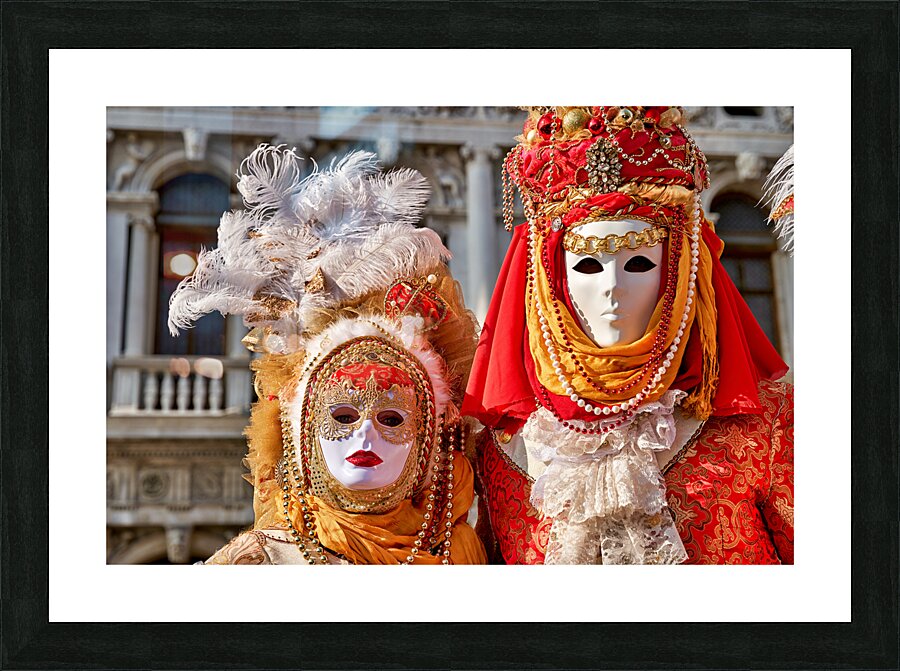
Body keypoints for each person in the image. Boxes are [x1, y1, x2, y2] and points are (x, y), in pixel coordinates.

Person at [463, 107, 793, 564]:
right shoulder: (506, 447)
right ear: (548, 276)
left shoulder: (769, 423)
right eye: (587, 264)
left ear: (681, 272)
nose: (612, 287)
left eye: (638, 262)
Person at [169, 145, 486, 565]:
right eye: (342, 417)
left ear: (428, 435)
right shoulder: (258, 565)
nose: (365, 437)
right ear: (302, 429)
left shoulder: (459, 553)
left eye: (392, 419)